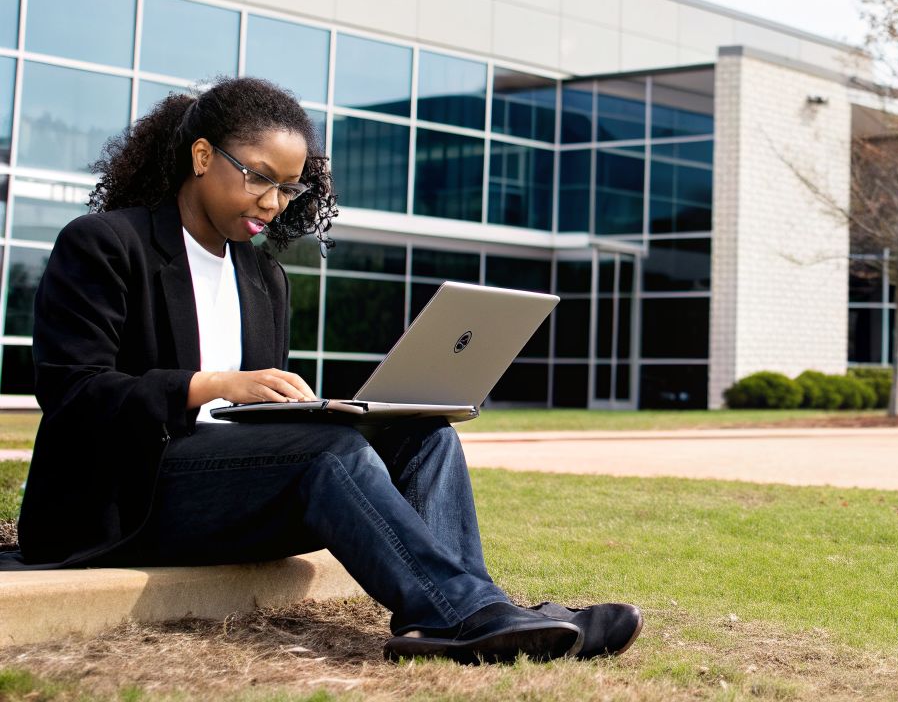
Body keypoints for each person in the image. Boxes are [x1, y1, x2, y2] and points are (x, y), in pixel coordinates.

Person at [1, 77, 640, 663]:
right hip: (126, 499)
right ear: (201, 158)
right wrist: (215, 385)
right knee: (327, 453)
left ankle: (472, 612)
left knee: (426, 437)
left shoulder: (262, 275)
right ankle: (468, 615)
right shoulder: (106, 245)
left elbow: (258, 421)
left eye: (289, 187)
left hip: (232, 486)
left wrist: (315, 413)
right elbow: (71, 391)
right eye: (259, 179)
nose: (274, 203)